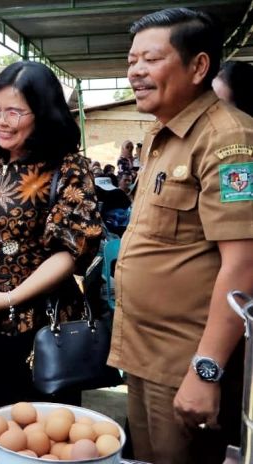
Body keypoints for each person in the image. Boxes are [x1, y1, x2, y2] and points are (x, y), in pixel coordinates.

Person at [108, 8, 253, 464]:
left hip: (184, 361)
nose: (135, 72)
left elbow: (244, 265)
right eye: (132, 61)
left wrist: (205, 371)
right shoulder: (163, 135)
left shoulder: (228, 139)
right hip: (142, 351)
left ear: (198, 66)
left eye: (151, 59)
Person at [0, 61, 103, 409]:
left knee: (30, 428)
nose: (1, 121)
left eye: (14, 112)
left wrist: (10, 298)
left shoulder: (68, 168)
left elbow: (71, 251)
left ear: (43, 113)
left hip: (35, 330)